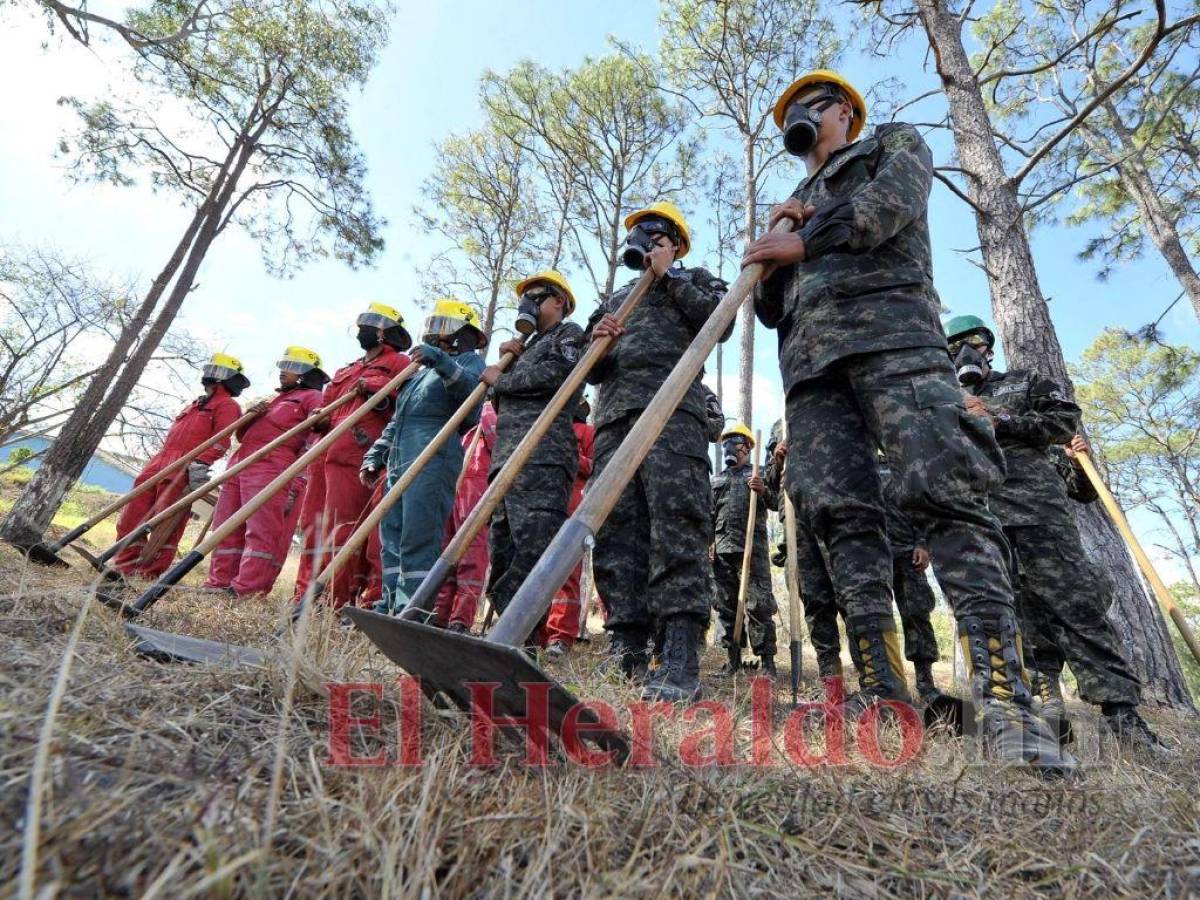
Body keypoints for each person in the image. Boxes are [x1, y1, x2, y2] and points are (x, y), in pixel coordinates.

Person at [742, 70, 1074, 773]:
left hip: (895, 338)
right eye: (790, 110)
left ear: (842, 111)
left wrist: (807, 236)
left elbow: (891, 206)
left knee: (944, 490)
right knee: (839, 516)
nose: (798, 115)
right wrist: (768, 260)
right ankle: (881, 692)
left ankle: (1007, 700)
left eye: (809, 103)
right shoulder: (791, 203)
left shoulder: (890, 144)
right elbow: (771, 310)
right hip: (811, 371)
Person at [946, 315, 1171, 756]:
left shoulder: (1025, 383)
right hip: (978, 521)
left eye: (972, 342)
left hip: (1038, 516)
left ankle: (1122, 717)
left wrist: (999, 417)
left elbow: (1063, 422)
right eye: (953, 346)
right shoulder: (943, 401)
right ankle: (1024, 720)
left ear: (988, 347)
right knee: (1001, 621)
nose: (964, 352)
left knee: (1078, 609)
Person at [587, 201, 729, 702]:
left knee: (677, 524)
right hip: (615, 422)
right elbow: (588, 371)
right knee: (617, 531)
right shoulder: (617, 298)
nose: (643, 240)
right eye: (638, 232)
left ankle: (679, 649)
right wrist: (596, 344)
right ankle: (626, 643)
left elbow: (720, 323)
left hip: (673, 416)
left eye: (652, 232)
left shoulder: (696, 280)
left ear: (673, 241)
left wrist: (670, 277)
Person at [482, 271, 586, 649]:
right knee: (503, 552)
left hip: (542, 458)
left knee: (533, 552)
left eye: (537, 297)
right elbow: (502, 403)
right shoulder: (523, 350)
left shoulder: (569, 335)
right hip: (506, 459)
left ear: (558, 301)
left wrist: (500, 379)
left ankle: (523, 641)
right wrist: (506, 367)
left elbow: (557, 376)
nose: (528, 305)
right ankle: (509, 639)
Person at [363, 299, 487, 612]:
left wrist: (442, 363)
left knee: (418, 536)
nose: (435, 335)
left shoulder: (470, 363)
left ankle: (413, 609)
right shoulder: (417, 373)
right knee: (391, 535)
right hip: (399, 455)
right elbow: (397, 419)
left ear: (462, 333)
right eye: (432, 327)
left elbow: (471, 407)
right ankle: (389, 603)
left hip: (433, 455)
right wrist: (376, 454)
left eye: (442, 327)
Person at [293, 303, 412, 608]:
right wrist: (319, 417)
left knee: (342, 529)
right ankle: (305, 596)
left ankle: (335, 597)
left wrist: (376, 388)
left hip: (356, 454)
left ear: (386, 332)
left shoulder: (399, 363)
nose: (364, 329)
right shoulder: (347, 368)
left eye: (372, 324)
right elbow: (331, 405)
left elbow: (404, 402)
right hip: (325, 453)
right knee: (312, 526)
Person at [204, 348, 328, 597]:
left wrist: (297, 476)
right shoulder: (274, 400)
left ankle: (247, 588)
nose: (283, 370)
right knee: (226, 527)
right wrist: (252, 417)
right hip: (242, 462)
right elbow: (244, 435)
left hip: (274, 466)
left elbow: (319, 433)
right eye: (283, 364)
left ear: (306, 372)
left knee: (260, 530)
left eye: (291, 366)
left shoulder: (313, 398)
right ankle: (219, 583)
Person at [112, 353, 246, 578]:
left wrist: (200, 463)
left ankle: (147, 574)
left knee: (166, 523)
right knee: (131, 515)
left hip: (184, 466)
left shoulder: (228, 405)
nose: (211, 375)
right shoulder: (195, 404)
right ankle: (124, 567)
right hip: (158, 462)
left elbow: (222, 440)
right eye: (210, 369)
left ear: (230, 378)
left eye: (219, 371)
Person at [710, 423, 779, 676]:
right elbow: (709, 514)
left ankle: (767, 664)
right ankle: (733, 661)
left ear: (747, 448)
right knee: (727, 606)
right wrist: (710, 542)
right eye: (726, 444)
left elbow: (775, 503)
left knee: (758, 605)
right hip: (723, 551)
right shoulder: (717, 480)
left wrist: (763, 490)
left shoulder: (757, 475)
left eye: (735, 444)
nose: (730, 449)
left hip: (753, 550)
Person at [879, 456, 942, 702]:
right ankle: (885, 681)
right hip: (873, 553)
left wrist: (922, 543)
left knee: (916, 614)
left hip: (907, 550)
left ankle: (925, 682)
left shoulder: (903, 457)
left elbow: (921, 504)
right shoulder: (859, 457)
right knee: (877, 619)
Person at [431, 401, 496, 633]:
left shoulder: (491, 410)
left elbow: (497, 441)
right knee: (447, 550)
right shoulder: (467, 411)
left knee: (471, 550)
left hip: (478, 481)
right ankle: (440, 614)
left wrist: (486, 412)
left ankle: (460, 618)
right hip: (455, 478)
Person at [544, 395, 595, 658]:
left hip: (573, 504)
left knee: (566, 573)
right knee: (539, 569)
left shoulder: (588, 432)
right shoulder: (549, 428)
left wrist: (570, 455)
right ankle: (538, 633)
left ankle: (560, 636)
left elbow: (593, 465)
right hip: (545, 502)